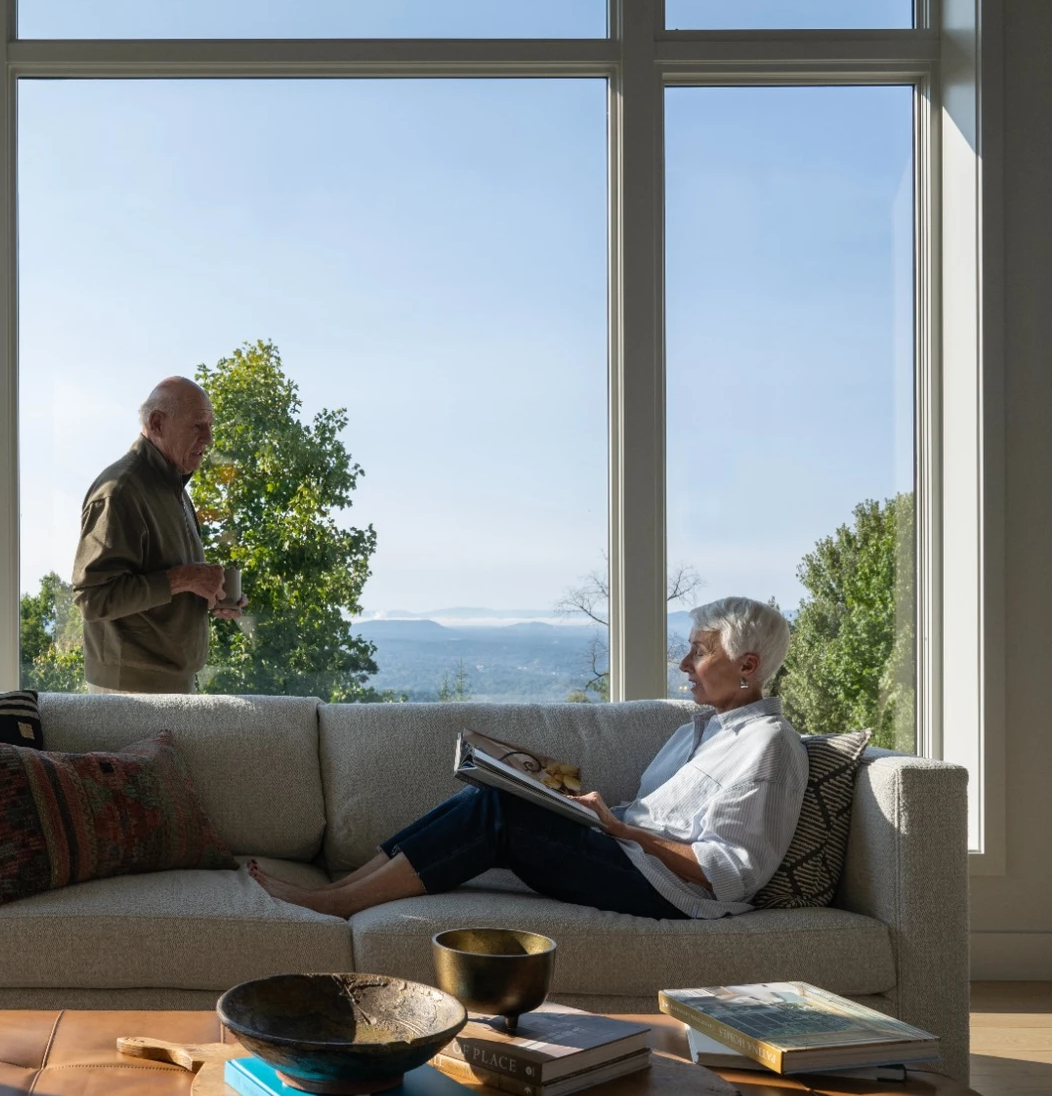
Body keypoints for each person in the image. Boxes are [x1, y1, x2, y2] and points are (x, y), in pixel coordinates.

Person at [251, 596, 806, 921]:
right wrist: (572, 803)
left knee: (500, 816)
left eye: (701, 650)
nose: (685, 664)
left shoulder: (769, 747)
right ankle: (337, 892)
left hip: (670, 894)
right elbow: (649, 815)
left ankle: (337, 905)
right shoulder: (700, 730)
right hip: (627, 853)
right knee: (494, 791)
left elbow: (731, 874)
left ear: (748, 666)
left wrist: (622, 831)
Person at [71, 377, 244, 694]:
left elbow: (160, 587)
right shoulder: (119, 491)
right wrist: (185, 578)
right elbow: (92, 598)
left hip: (168, 686)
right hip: (132, 694)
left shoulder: (172, 488)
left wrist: (209, 593)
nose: (209, 437)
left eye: (210, 426)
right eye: (198, 426)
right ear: (157, 423)